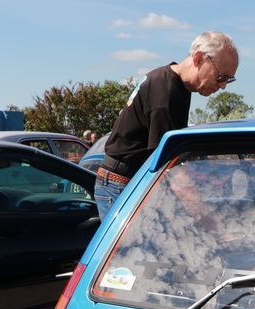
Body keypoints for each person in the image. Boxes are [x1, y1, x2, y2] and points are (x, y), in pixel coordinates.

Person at [95, 31, 239, 219]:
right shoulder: (165, 94)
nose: (223, 86)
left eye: (229, 80)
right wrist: (210, 222)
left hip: (130, 183)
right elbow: (171, 170)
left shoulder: (175, 83)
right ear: (198, 58)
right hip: (121, 185)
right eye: (221, 77)